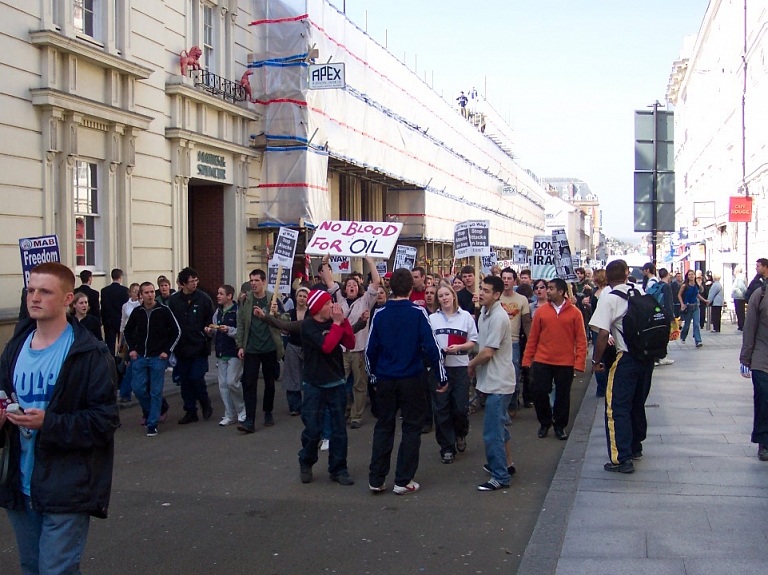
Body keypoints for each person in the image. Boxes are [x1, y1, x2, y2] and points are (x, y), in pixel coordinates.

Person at [0, 262, 119, 574]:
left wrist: (48, 423)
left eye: (45, 291)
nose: (34, 297)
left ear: (68, 299)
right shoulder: (15, 347)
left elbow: (104, 421)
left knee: (56, 570)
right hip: (20, 482)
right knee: (32, 567)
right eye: (31, 290)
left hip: (67, 485)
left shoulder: (89, 353)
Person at [366, 268, 447, 495]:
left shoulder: (380, 314)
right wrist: (441, 376)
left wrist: (373, 376)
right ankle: (403, 479)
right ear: (412, 288)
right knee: (411, 428)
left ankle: (377, 478)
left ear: (390, 288)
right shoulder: (418, 312)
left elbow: (370, 350)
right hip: (411, 378)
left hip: (385, 379)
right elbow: (432, 347)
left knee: (384, 426)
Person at [590, 259, 655, 474]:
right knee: (637, 402)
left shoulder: (609, 298)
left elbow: (602, 334)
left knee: (616, 407)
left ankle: (621, 458)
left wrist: (596, 361)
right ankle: (636, 446)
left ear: (607, 278)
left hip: (625, 357)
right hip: (646, 357)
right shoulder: (638, 289)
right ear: (627, 274)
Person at [298, 289, 356, 486]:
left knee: (339, 430)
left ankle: (339, 468)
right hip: (315, 384)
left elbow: (349, 342)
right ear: (317, 308)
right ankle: (306, 461)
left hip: (336, 382)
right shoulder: (308, 325)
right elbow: (326, 346)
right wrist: (338, 324)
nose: (332, 306)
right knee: (313, 429)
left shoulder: (335, 322)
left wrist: (343, 322)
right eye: (327, 303)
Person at [522, 278, 587, 441]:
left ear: (561, 292)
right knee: (539, 392)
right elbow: (533, 337)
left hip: (565, 362)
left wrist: (580, 362)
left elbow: (581, 339)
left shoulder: (575, 313)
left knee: (563, 396)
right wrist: (527, 359)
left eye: (551, 288)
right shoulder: (541, 312)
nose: (547, 291)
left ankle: (560, 425)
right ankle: (545, 422)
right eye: (547, 288)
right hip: (542, 360)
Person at [468, 275, 516, 491]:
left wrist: (471, 365)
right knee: (499, 427)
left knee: (493, 431)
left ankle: (500, 476)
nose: (482, 293)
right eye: (482, 289)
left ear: (497, 294)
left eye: (486, 290)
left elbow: (487, 352)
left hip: (499, 382)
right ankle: (506, 464)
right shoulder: (485, 314)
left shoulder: (498, 317)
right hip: (490, 381)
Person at [428, 282, 478, 463]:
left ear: (453, 296)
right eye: (440, 296)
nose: (444, 298)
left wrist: (460, 346)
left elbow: (473, 341)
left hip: (460, 367)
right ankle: (446, 447)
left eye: (446, 295)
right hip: (440, 369)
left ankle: (460, 433)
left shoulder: (465, 317)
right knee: (441, 408)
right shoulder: (432, 319)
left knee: (459, 406)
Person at [124, 282, 180, 437]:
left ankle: (152, 423)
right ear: (140, 295)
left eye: (151, 292)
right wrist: (132, 349)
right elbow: (127, 331)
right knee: (138, 388)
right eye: (146, 292)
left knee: (156, 391)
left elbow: (176, 331)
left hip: (157, 357)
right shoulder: (138, 312)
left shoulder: (163, 310)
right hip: (140, 356)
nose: (150, 295)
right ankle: (152, 412)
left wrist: (167, 351)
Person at [236, 269, 285, 433]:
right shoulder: (246, 300)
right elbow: (241, 323)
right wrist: (240, 345)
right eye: (251, 281)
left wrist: (276, 312)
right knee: (248, 382)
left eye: (257, 280)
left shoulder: (272, 298)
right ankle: (249, 419)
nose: (254, 284)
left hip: (269, 347)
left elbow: (285, 320)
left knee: (269, 381)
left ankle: (268, 410)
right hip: (251, 348)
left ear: (264, 281)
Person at [167, 267, 215, 425]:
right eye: (191, 281)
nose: (194, 284)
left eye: (196, 281)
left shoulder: (203, 299)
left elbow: (211, 320)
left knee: (196, 377)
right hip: (182, 348)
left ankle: (205, 402)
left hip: (199, 346)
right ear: (182, 284)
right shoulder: (174, 301)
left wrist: (208, 331)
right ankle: (190, 411)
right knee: (185, 381)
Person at [205, 285, 244, 426]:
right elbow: (216, 329)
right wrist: (211, 330)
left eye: (221, 294)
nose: (218, 296)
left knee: (232, 382)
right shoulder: (218, 312)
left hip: (234, 351)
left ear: (230, 296)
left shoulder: (237, 311)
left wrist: (229, 330)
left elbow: (241, 331)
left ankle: (241, 409)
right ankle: (229, 414)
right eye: (218, 293)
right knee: (223, 385)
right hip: (221, 352)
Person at [740, 275, 768, 460]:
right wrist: (745, 358)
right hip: (762, 359)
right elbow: (749, 328)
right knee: (764, 402)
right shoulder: (760, 294)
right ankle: (763, 442)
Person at [500, 267, 531, 414]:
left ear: (514, 281)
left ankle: (513, 404)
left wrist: (531, 342)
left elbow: (526, 323)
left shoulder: (522, 299)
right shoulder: (495, 297)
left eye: (509, 278)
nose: (506, 281)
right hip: (497, 342)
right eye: (503, 278)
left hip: (514, 342)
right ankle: (501, 406)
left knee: (513, 374)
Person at [117, 283, 141, 404]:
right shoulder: (125, 306)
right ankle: (125, 392)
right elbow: (123, 322)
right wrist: (120, 340)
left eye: (138, 290)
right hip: (128, 336)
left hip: (139, 337)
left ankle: (128, 392)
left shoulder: (141, 305)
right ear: (130, 292)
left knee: (133, 365)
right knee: (127, 364)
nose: (136, 293)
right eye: (134, 290)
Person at [101, 268, 129, 355]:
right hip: (120, 320)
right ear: (120, 277)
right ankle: (120, 362)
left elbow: (103, 307)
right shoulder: (125, 290)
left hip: (109, 321)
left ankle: (111, 364)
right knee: (122, 344)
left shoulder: (104, 291)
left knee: (110, 345)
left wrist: (103, 320)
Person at [678, 270, 708, 347]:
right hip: (688, 307)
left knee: (696, 324)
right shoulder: (684, 286)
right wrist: (682, 304)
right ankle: (683, 336)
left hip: (695, 306)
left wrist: (704, 300)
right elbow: (679, 295)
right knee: (687, 324)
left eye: (692, 274)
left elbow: (697, 295)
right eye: (689, 275)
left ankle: (698, 341)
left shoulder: (696, 285)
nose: (691, 276)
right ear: (687, 276)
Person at [655, 268, 676, 366]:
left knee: (657, 335)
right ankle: (662, 357)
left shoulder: (657, 285)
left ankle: (656, 357)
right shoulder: (667, 286)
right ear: (667, 275)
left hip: (657, 313)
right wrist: (671, 317)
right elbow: (668, 302)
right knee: (664, 336)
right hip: (665, 314)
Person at [732, 265, 748, 331]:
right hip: (740, 297)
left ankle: (741, 326)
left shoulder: (739, 277)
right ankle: (741, 325)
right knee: (740, 312)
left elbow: (743, 287)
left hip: (739, 297)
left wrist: (744, 294)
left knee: (740, 312)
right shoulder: (741, 277)